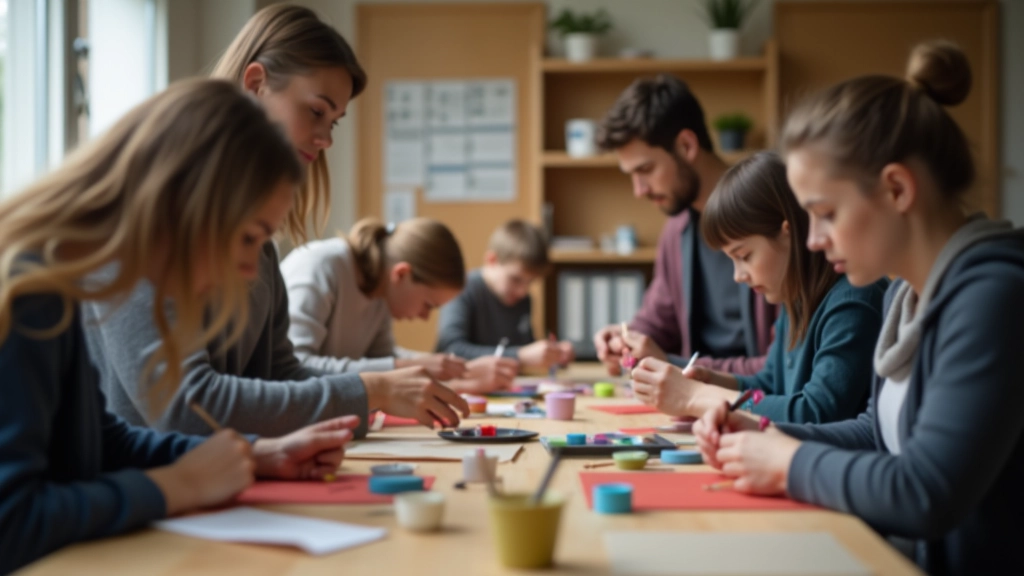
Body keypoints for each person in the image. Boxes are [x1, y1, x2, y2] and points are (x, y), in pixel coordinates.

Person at [0, 80, 362, 574]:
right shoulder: (24, 292)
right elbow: (11, 523)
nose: (251, 272)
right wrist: (178, 486)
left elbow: (100, 443)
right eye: (249, 237)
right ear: (188, 201)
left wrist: (255, 456)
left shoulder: (63, 281)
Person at [693, 41, 1024, 575]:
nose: (814, 240)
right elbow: (878, 432)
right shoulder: (908, 294)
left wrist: (791, 462)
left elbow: (926, 491)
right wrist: (763, 432)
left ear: (896, 189)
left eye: (824, 214)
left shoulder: (994, 297)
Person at [82, 4, 468, 435]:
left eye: (335, 122)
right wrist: (369, 389)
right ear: (255, 84)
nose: (325, 140)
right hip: (151, 489)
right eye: (316, 111)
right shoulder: (150, 216)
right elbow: (184, 407)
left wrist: (378, 389)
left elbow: (279, 373)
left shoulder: (258, 239)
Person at [631, 152, 886, 423]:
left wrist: (699, 398)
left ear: (788, 232)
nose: (738, 276)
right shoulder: (796, 298)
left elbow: (815, 411)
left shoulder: (853, 301)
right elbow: (770, 383)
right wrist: (713, 381)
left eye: (744, 256)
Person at [590, 74, 776, 377]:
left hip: (752, 405)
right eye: (631, 175)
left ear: (687, 145)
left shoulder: (771, 220)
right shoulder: (676, 232)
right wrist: (627, 338)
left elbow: (781, 369)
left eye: (646, 170)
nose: (639, 190)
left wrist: (678, 366)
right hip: (695, 402)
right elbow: (659, 320)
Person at [282, 217, 511, 394]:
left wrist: (448, 371)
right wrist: (409, 365)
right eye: (428, 305)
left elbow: (382, 357)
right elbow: (296, 366)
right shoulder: (321, 267)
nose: (424, 317)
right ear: (401, 274)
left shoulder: (381, 291)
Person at [434, 219, 573, 374]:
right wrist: (520, 356)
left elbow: (523, 347)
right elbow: (450, 350)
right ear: (492, 260)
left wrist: (552, 355)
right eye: (516, 279)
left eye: (531, 282)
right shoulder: (462, 289)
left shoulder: (522, 300)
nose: (523, 291)